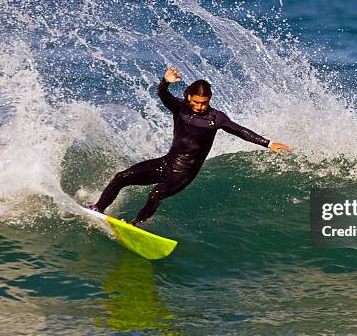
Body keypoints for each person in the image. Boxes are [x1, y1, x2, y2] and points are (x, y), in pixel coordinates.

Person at [87, 67, 292, 227]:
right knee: (122, 177)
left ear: (209, 100)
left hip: (184, 173)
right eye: (196, 102)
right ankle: (98, 208)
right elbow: (162, 95)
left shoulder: (216, 118)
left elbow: (240, 131)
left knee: (156, 194)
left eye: (204, 102)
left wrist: (268, 143)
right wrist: (165, 82)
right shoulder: (180, 108)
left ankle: (137, 224)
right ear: (188, 97)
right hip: (166, 163)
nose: (200, 106)